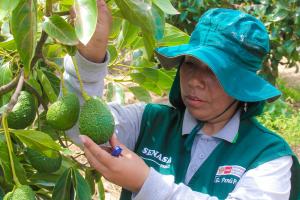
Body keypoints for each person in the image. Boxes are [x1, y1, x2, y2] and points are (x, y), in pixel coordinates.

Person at [64, 0, 300, 199]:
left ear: (241, 86)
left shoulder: (268, 156)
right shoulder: (149, 122)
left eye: (214, 71)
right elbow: (80, 128)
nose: (196, 80)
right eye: (190, 63)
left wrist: (146, 183)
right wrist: (90, 57)